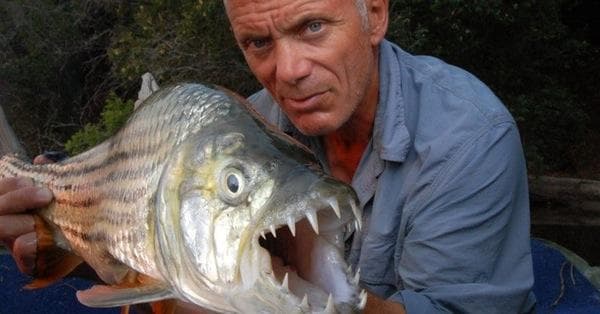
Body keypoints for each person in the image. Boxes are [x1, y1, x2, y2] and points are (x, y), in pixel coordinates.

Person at [0, 0, 536, 312]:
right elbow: (138, 247)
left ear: (374, 13)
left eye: (312, 27)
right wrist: (64, 240)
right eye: (258, 43)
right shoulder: (248, 120)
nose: (288, 71)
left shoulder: (469, 139)